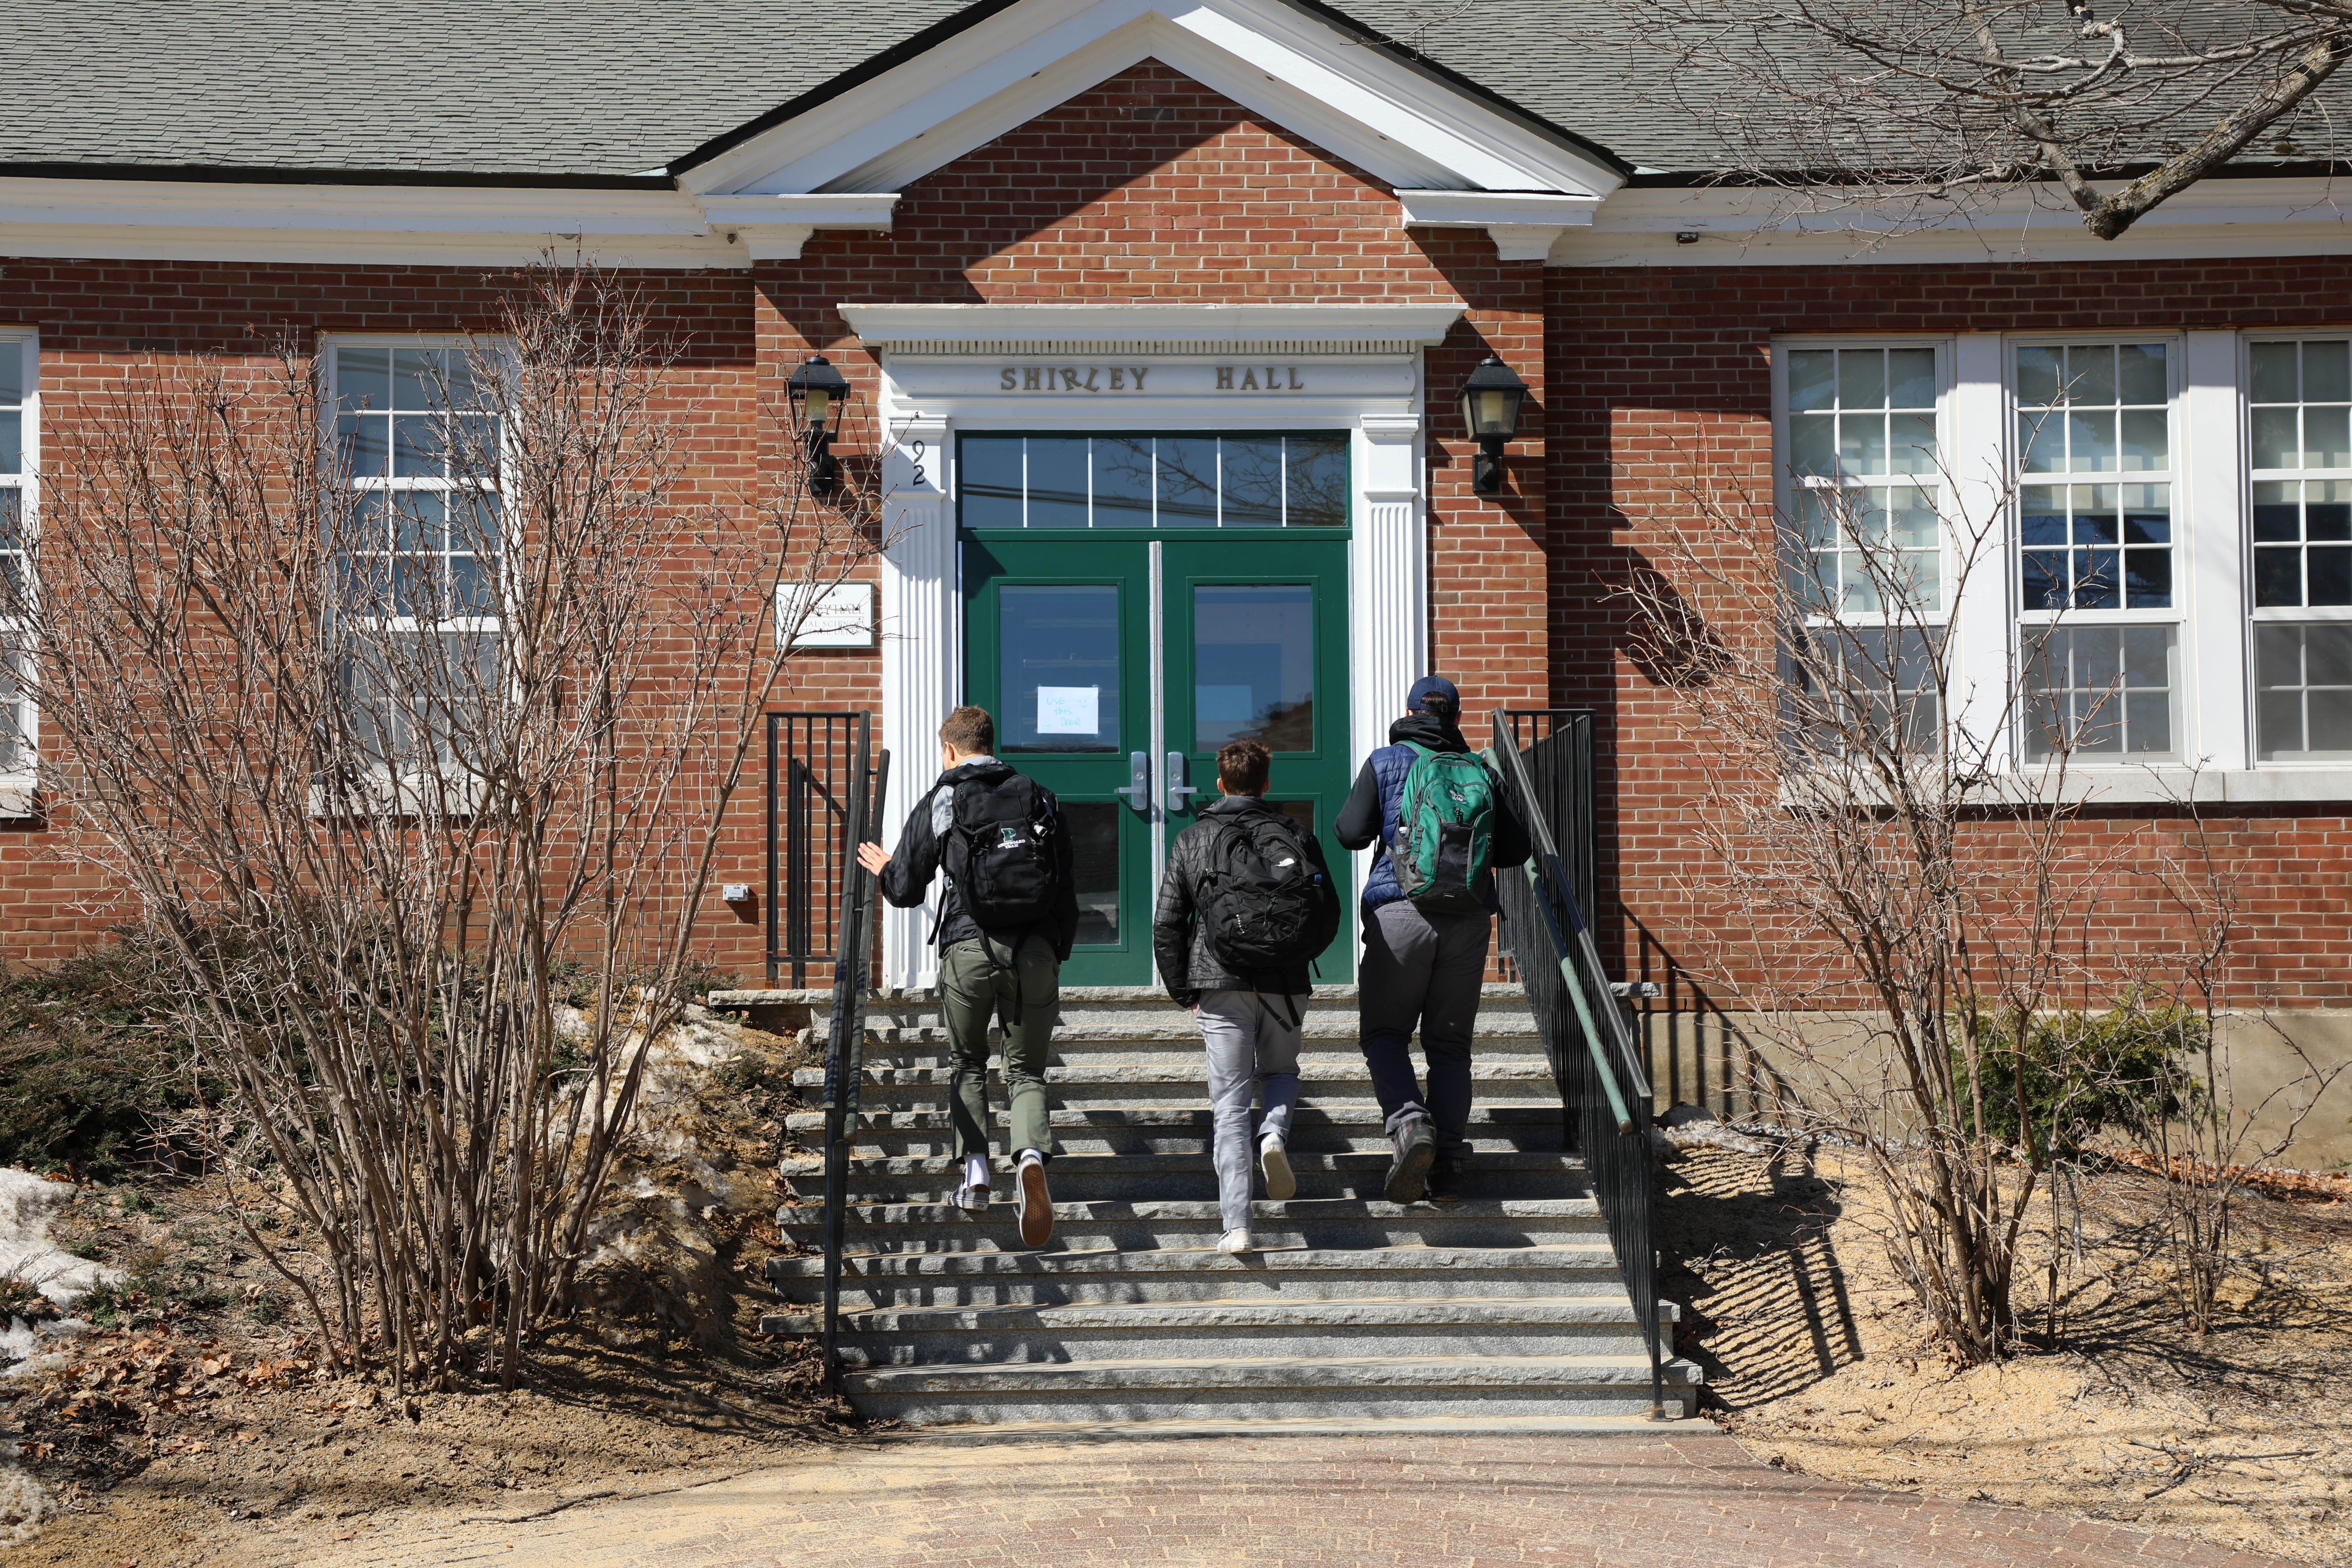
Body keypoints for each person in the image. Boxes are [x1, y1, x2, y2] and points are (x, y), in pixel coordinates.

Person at [856, 705, 1076, 1248]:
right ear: (992, 743)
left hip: (968, 949)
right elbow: (1067, 883)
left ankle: (976, 1175)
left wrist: (885, 868)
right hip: (1034, 954)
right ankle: (1029, 1158)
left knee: (967, 1062)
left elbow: (906, 889)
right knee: (1026, 1072)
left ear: (951, 750)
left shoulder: (944, 798)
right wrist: (1054, 952)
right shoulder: (1041, 796)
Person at [1334, 676, 1530, 1206]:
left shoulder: (1386, 760)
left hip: (1400, 912)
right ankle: (1448, 1169)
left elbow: (1350, 834)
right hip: (1467, 921)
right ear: (1456, 716)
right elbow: (1516, 848)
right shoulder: (1480, 769)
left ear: (1410, 710)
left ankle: (1408, 1124)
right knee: (1449, 1048)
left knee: (1384, 1035)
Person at [1153, 738, 1339, 1254]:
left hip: (1221, 983)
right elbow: (1328, 912)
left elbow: (1168, 922)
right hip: (1285, 984)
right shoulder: (1295, 834)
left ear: (1219, 783)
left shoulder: (1194, 838)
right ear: (1266, 784)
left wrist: (1183, 988)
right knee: (1280, 1073)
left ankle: (1238, 1227)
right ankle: (1275, 1136)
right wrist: (1297, 956)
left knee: (1230, 1107)